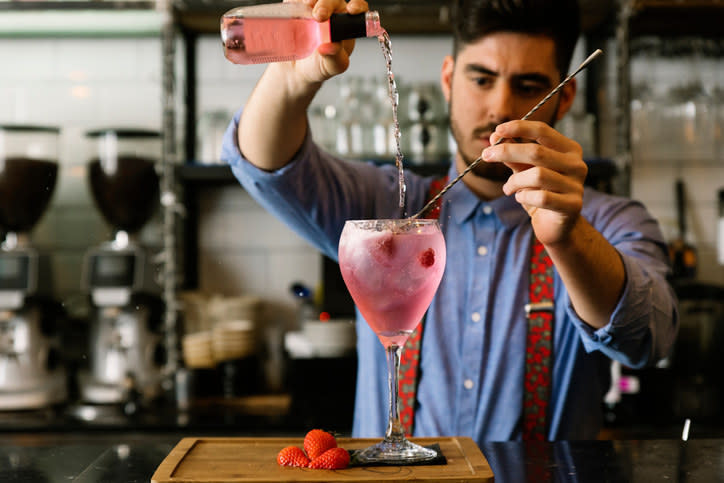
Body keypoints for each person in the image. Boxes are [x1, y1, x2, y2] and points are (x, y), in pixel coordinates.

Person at [221, 0, 678, 442]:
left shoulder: (608, 221)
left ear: (566, 97)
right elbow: (266, 167)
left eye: (528, 85)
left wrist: (571, 237)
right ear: (448, 79)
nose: (501, 107)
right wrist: (290, 79)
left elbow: (648, 339)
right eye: (481, 79)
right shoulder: (386, 206)